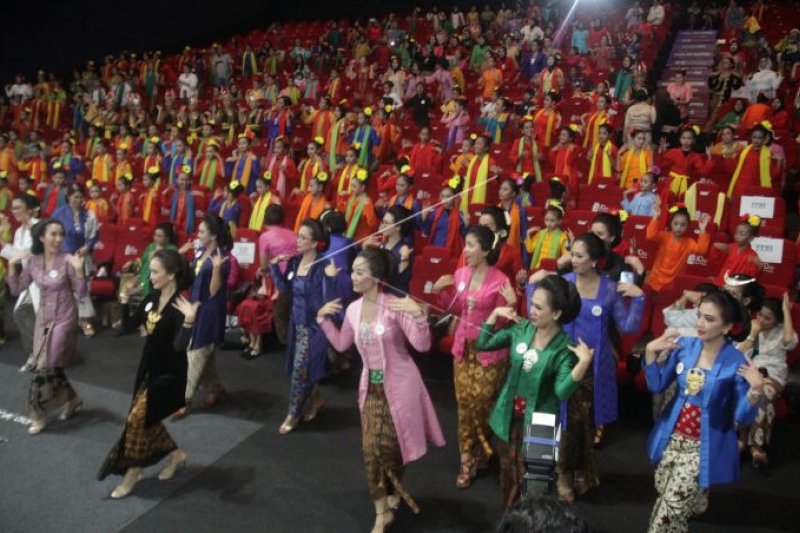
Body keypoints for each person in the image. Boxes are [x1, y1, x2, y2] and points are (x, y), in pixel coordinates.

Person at [317, 248, 446, 533]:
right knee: (371, 450)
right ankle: (381, 510)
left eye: (359, 272)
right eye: (354, 270)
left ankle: (394, 491)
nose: (353, 276)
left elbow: (422, 346)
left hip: (401, 388)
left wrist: (419, 316)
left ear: (376, 277)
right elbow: (341, 344)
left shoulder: (396, 305)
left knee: (393, 448)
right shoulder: (352, 309)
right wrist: (323, 320)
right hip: (371, 389)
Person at [530, 233, 645, 501]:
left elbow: (628, 326)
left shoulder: (609, 289)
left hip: (596, 370)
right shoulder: (562, 284)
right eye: (572, 253)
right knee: (562, 425)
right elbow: (537, 317)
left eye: (579, 256)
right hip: (562, 364)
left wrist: (638, 299)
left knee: (587, 426)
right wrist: (531, 289)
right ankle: (562, 475)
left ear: (595, 260)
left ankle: (582, 469)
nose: (573, 259)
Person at [643, 290, 762, 532]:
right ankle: (698, 493)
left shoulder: (737, 362)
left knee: (668, 514)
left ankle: (694, 492)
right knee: (664, 493)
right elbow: (656, 385)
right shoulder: (685, 347)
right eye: (699, 316)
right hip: (671, 438)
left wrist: (756, 389)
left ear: (727, 327)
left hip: (703, 446)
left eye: (709, 319)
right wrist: (650, 352)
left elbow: (741, 416)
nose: (700, 323)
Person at [477, 275, 593, 508]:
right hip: (510, 416)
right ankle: (511, 517)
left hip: (541, 421)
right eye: (532, 303)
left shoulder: (564, 348)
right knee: (509, 476)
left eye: (539, 307)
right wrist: (494, 315)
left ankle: (532, 521)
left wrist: (581, 364)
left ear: (557, 313)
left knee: (536, 481)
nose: (531, 310)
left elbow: (562, 392)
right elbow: (483, 344)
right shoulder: (520, 330)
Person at [98, 249, 197, 499]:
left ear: (171, 275)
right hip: (148, 367)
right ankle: (177, 456)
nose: (150, 276)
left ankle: (134, 471)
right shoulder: (151, 298)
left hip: (170, 373)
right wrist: (123, 299)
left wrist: (188, 322)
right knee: (146, 420)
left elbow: (178, 347)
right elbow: (129, 327)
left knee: (137, 419)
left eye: (155, 272)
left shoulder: (180, 306)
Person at [433, 225, 516, 489]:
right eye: (465, 244)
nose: (465, 250)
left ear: (485, 249)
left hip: (489, 351)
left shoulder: (501, 280)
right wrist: (443, 291)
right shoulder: (460, 273)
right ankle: (467, 457)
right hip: (463, 349)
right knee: (464, 404)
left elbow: (505, 324)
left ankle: (483, 446)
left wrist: (511, 304)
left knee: (481, 402)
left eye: (470, 245)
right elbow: (457, 309)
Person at [7, 218, 86, 435]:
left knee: (45, 365)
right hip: (43, 318)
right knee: (51, 365)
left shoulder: (69, 260)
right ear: (41, 237)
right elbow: (16, 290)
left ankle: (37, 414)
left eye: (61, 234)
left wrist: (79, 271)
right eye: (53, 234)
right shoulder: (33, 262)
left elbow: (82, 293)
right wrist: (12, 267)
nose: (58, 239)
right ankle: (73, 398)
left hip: (65, 317)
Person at [270, 219, 346, 434]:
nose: (298, 240)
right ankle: (317, 400)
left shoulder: (324, 266)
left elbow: (329, 303)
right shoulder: (294, 262)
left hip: (315, 328)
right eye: (298, 236)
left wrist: (331, 280)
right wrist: (275, 266)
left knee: (299, 372)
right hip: (297, 325)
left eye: (303, 238)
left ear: (315, 243)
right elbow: (285, 287)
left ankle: (293, 414)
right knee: (297, 369)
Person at [175, 215, 231, 418]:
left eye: (201, 232)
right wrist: (182, 256)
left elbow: (215, 291)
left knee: (195, 354)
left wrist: (216, 268)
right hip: (196, 307)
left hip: (209, 312)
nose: (198, 235)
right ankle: (216, 387)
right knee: (204, 353)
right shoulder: (200, 252)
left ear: (213, 236)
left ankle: (185, 400)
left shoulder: (222, 258)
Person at [737, 295, 797, 468]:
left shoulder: (782, 332)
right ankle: (740, 441)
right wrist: (753, 333)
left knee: (763, 395)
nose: (761, 320)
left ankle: (757, 447)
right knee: (744, 393)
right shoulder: (752, 329)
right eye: (760, 315)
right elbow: (738, 354)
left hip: (772, 376)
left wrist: (787, 311)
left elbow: (790, 342)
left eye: (767, 318)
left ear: (778, 321)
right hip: (750, 372)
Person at [51, 184, 99, 337]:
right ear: (68, 197)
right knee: (62, 289)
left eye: (79, 197)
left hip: (81, 256)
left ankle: (84, 320)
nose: (77, 200)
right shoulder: (59, 213)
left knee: (81, 288)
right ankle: (63, 321)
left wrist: (87, 247)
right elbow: (51, 234)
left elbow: (95, 236)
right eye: (74, 197)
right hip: (62, 256)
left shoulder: (90, 215)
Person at [0, 194, 40, 369]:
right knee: (23, 314)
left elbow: (39, 252)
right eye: (13, 208)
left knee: (25, 313)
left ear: (30, 210)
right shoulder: (19, 231)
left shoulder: (40, 227)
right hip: (28, 279)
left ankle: (39, 355)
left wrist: (26, 255)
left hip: (42, 277)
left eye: (18, 207)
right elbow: (15, 255)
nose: (14, 211)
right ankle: (34, 354)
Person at [645, 203, 711, 292]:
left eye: (683, 225)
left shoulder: (689, 242)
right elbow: (650, 236)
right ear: (671, 224)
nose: (678, 227)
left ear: (687, 226)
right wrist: (655, 217)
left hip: (673, 283)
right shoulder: (664, 236)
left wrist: (702, 229)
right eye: (675, 223)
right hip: (655, 279)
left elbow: (702, 250)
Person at [420, 176, 467, 258]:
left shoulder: (460, 215)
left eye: (448, 196)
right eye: (443, 196)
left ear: (454, 197)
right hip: (437, 249)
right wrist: (424, 218)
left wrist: (467, 225)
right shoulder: (434, 212)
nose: (445, 199)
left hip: (453, 252)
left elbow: (465, 235)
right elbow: (426, 233)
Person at [712, 214, 763, 286]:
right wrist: (717, 247)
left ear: (751, 238)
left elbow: (751, 276)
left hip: (736, 286)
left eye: (742, 234)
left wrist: (759, 266)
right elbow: (717, 259)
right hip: (722, 281)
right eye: (736, 233)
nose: (737, 236)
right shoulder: (730, 247)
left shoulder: (752, 255)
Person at [526, 201, 568, 270]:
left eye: (552, 221)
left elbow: (566, 256)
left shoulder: (563, 236)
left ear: (560, 221)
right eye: (546, 220)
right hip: (537, 267)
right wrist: (528, 234)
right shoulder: (541, 233)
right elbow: (530, 249)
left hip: (551, 270)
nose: (548, 223)